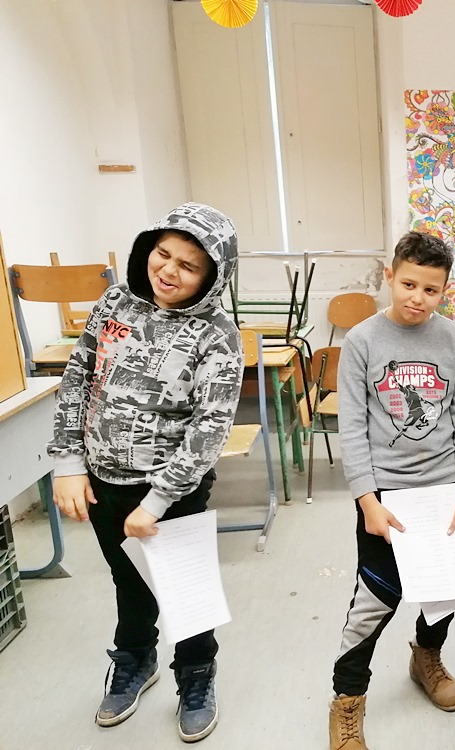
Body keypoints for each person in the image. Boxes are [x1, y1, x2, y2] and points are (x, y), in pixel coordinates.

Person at [49, 203, 243, 743]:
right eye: (163, 254)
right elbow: (77, 378)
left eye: (189, 265)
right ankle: (135, 659)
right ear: (147, 249)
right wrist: (67, 464)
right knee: (129, 581)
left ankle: (196, 675)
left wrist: (155, 503)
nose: (169, 270)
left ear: (213, 276)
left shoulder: (218, 335)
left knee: (184, 590)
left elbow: (209, 430)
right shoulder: (114, 302)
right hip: (101, 479)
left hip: (172, 490)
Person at [329, 231, 455, 750]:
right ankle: (347, 700)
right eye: (409, 284)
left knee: (443, 591)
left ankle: (426, 657)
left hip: (445, 494)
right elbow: (352, 426)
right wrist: (367, 500)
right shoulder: (362, 340)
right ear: (389, 275)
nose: (418, 298)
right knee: (375, 601)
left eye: (431, 290)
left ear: (444, 290)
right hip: (386, 498)